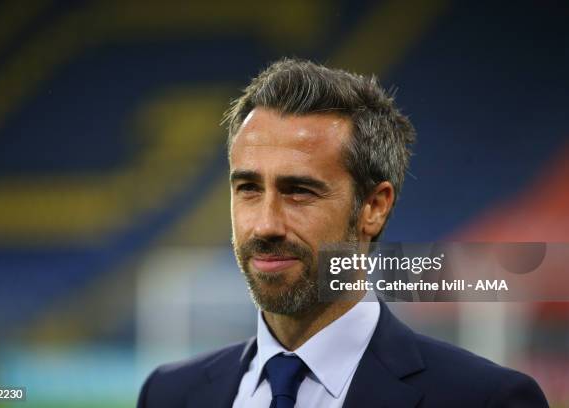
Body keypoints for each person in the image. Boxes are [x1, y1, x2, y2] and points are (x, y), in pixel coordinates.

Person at [137, 59, 548, 407]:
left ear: (374, 207)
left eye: (299, 192)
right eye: (248, 188)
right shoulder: (169, 394)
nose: (264, 225)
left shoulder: (484, 399)